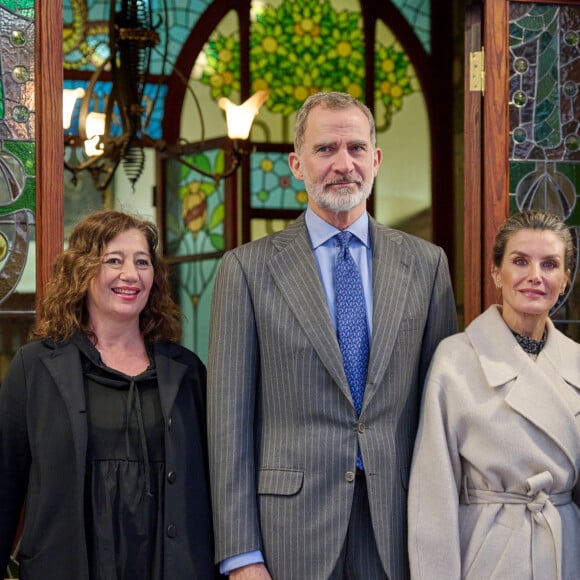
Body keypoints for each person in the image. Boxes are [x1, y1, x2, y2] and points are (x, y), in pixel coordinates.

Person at [207, 91, 458, 580]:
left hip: (398, 528)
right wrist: (241, 556)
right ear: (297, 164)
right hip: (289, 533)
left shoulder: (427, 265)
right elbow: (227, 424)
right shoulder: (246, 269)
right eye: (326, 150)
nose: (344, 164)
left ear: (376, 159)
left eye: (356, 148)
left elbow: (442, 412)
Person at [0, 210, 220, 580]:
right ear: (82, 271)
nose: (130, 275)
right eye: (113, 261)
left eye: (142, 262)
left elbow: (218, 486)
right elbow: (5, 486)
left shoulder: (188, 372)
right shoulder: (34, 367)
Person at [408, 209, 580, 579]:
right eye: (520, 261)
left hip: (566, 552)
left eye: (550, 264)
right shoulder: (455, 359)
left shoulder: (577, 363)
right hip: (488, 554)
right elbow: (432, 496)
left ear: (565, 279)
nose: (535, 276)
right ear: (495, 272)